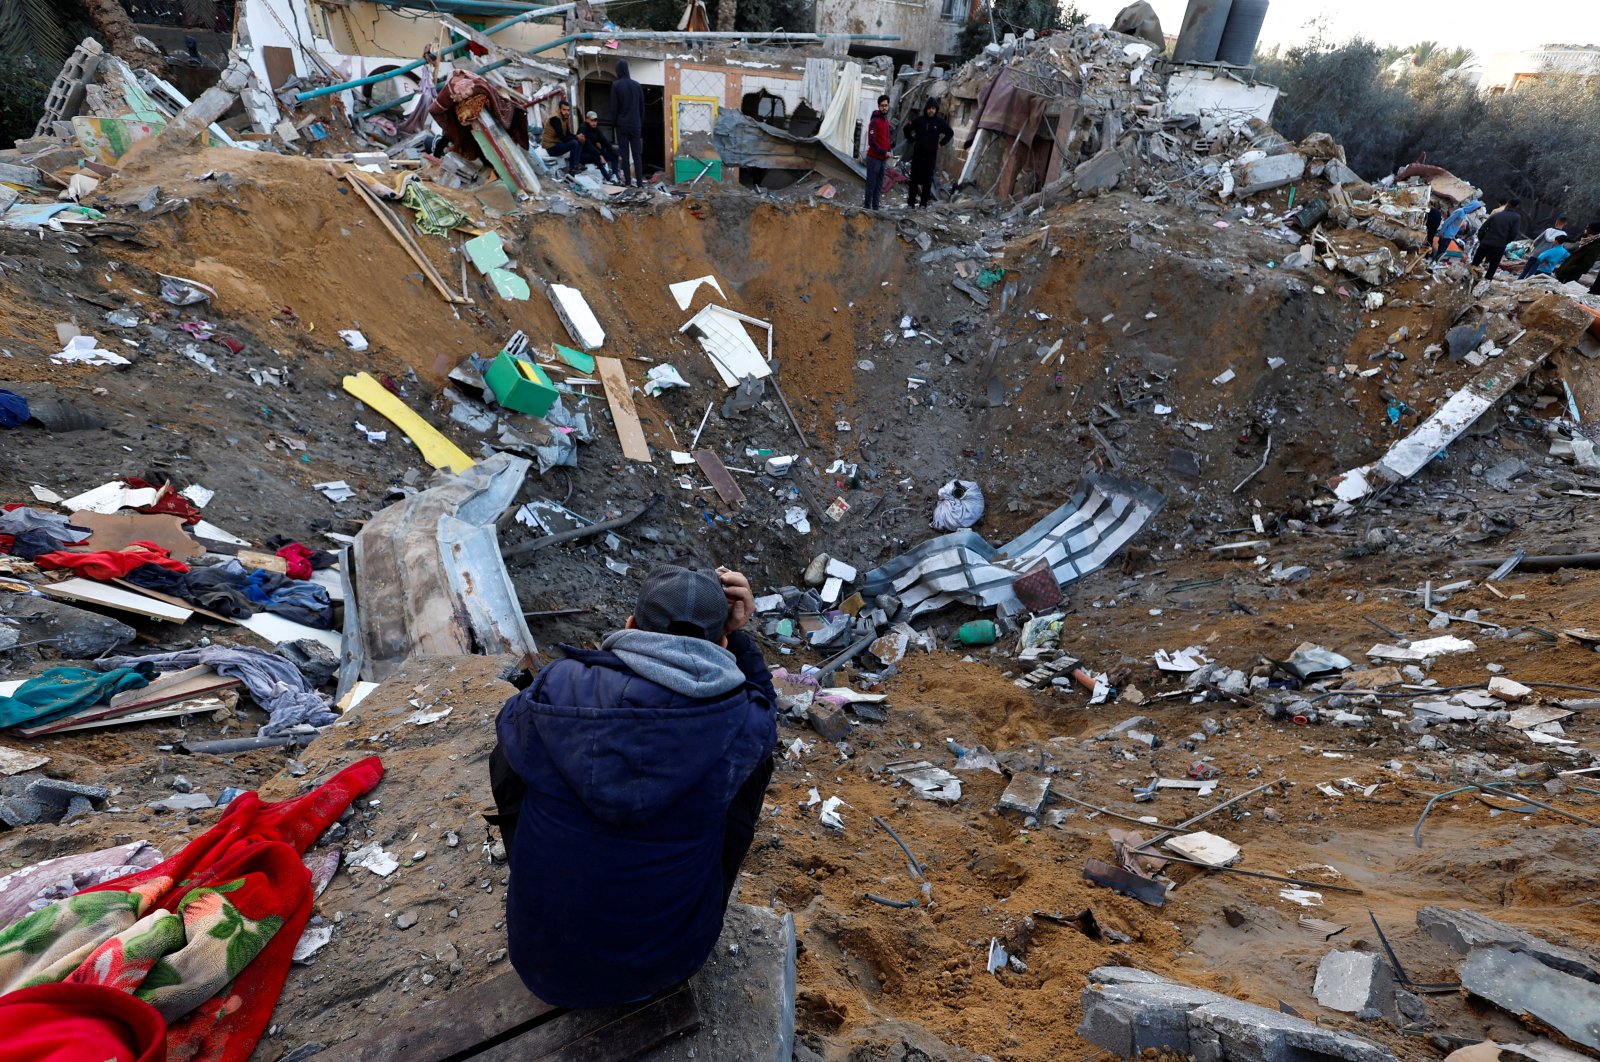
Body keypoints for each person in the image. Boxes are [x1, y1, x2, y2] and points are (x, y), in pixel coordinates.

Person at [492, 563, 777, 1009]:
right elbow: (766, 718)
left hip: (541, 965)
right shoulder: (740, 719)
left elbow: (508, 734)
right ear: (721, 643)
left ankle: (548, 880)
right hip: (664, 966)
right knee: (750, 769)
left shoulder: (557, 682)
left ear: (630, 627)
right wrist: (740, 635)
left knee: (515, 748)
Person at [903, 98, 952, 209]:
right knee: (914, 180)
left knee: (927, 181)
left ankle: (923, 204)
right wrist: (912, 140)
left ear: (936, 110)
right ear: (926, 109)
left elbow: (950, 133)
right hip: (917, 156)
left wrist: (941, 143)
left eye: (933, 108)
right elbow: (906, 129)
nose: (931, 110)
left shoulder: (939, 123)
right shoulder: (919, 120)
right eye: (929, 108)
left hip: (930, 157)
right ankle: (910, 203)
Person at [611, 60, 646, 187]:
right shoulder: (637, 86)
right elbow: (642, 108)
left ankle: (627, 182)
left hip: (622, 125)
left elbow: (614, 108)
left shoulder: (616, 85)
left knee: (624, 155)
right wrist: (639, 123)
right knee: (637, 155)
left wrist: (614, 124)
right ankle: (640, 183)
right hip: (636, 125)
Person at [1473, 198, 1522, 283]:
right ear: (1516, 206)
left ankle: (1468, 281)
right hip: (1499, 246)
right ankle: (1483, 286)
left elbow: (1482, 229)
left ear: (1507, 204)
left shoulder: (1496, 215)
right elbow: (1513, 233)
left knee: (1475, 263)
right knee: (1492, 267)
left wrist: (1483, 240)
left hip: (1485, 243)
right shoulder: (1516, 218)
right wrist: (1505, 242)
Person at [865, 95, 891, 211]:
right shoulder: (874, 121)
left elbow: (887, 139)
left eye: (886, 105)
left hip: (882, 160)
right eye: (882, 105)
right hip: (874, 158)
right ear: (879, 106)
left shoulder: (886, 121)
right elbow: (871, 142)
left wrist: (889, 150)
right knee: (871, 185)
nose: (884, 108)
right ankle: (866, 208)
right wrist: (883, 152)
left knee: (879, 186)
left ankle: (875, 209)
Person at [578, 110, 620, 182]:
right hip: (583, 154)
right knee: (597, 157)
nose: (594, 122)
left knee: (614, 156)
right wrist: (600, 155)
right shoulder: (583, 128)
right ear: (587, 120)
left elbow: (604, 141)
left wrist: (616, 154)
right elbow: (588, 145)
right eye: (592, 120)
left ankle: (615, 176)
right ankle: (608, 178)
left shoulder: (596, 129)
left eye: (595, 120)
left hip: (594, 152)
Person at [540, 99, 581, 174]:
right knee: (574, 143)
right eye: (564, 110)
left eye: (568, 110)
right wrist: (576, 138)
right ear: (559, 110)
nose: (566, 112)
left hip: (557, 145)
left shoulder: (564, 118)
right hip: (551, 147)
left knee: (578, 141)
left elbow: (568, 133)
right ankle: (572, 169)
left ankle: (576, 165)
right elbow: (562, 138)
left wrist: (577, 137)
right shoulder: (555, 119)